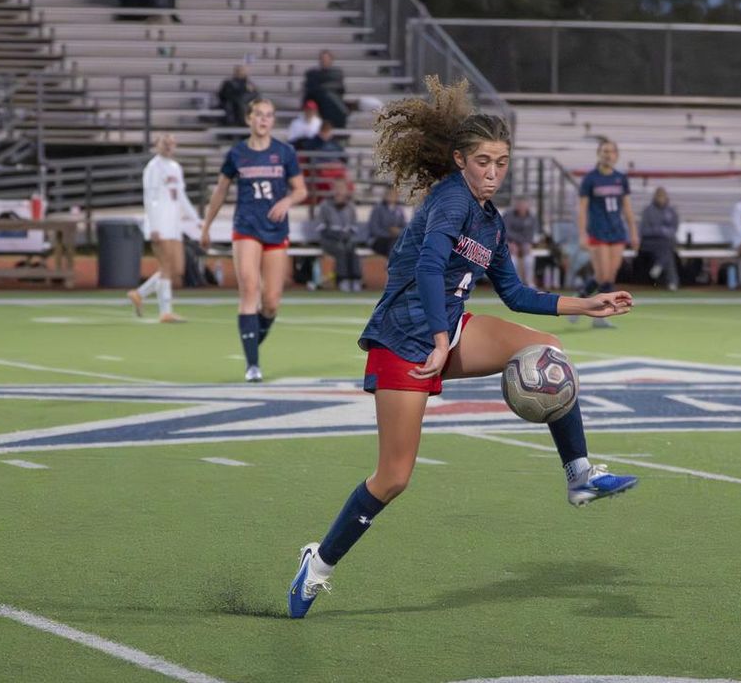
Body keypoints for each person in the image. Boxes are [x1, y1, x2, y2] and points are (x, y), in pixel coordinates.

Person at [286, 78, 638, 620]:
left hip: (446, 331)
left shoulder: (491, 222)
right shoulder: (450, 199)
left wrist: (587, 304)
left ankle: (580, 476)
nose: (492, 172)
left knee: (547, 349)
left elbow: (517, 295)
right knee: (394, 477)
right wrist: (436, 337)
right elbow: (429, 266)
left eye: (501, 162)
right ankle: (319, 562)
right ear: (460, 161)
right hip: (405, 340)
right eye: (482, 162)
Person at [200, 98, 306, 382]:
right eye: (258, 115)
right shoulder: (237, 154)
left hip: (275, 229)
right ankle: (252, 365)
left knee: (271, 301)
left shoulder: (284, 153)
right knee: (249, 288)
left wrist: (287, 201)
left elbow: (300, 190)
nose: (263, 120)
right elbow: (220, 192)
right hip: (246, 228)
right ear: (249, 119)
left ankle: (251, 342)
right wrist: (206, 226)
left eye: (269, 115)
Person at [127, 133, 199, 322]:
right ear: (157, 145)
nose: (168, 147)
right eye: (164, 143)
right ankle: (165, 311)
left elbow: (181, 196)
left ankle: (139, 294)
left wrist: (196, 219)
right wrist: (154, 226)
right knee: (166, 266)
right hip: (159, 223)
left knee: (178, 269)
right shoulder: (153, 168)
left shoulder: (175, 167)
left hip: (174, 223)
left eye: (171, 143)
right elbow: (150, 199)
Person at [573, 139, 638, 327]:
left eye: (611, 151)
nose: (607, 155)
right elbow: (583, 209)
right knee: (604, 277)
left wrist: (633, 232)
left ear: (616, 156)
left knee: (608, 276)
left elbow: (627, 208)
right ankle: (600, 317)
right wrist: (582, 234)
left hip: (617, 231)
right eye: (604, 151)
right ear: (598, 154)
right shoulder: (590, 179)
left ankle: (581, 299)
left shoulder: (621, 178)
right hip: (598, 231)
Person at [318, 179, 363, 292]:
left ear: (346, 191)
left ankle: (356, 279)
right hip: (329, 240)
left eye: (342, 188)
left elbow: (354, 226)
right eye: (337, 188)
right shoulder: (325, 206)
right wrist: (336, 234)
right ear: (333, 190)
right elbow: (321, 227)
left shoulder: (350, 207)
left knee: (352, 249)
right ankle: (343, 280)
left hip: (346, 239)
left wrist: (346, 235)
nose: (339, 191)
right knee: (341, 250)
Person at [639, 186, 680, 291]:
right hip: (650, 242)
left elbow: (674, 229)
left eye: (663, 197)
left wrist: (665, 232)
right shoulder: (648, 211)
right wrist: (659, 231)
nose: (661, 199)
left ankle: (660, 266)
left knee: (667, 248)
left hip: (665, 242)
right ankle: (672, 281)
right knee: (667, 251)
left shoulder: (671, 211)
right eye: (659, 197)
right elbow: (643, 230)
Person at [302, 49, 348, 129]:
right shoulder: (312, 73)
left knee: (328, 96)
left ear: (331, 60)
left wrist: (322, 88)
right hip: (316, 98)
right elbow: (310, 87)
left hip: (331, 100)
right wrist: (323, 89)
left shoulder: (337, 73)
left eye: (326, 59)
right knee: (326, 95)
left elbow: (339, 87)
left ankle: (335, 122)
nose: (324, 61)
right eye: (322, 59)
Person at [505, 196, 539, 286]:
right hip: (510, 242)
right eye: (520, 205)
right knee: (512, 251)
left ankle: (529, 281)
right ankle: (513, 281)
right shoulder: (508, 215)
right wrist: (515, 242)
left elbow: (531, 234)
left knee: (528, 251)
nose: (522, 207)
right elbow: (506, 231)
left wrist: (524, 243)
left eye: (524, 205)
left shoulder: (532, 218)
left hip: (524, 242)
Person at [366, 186, 406, 258]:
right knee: (394, 243)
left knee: (399, 243)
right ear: (385, 195)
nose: (391, 196)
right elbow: (374, 229)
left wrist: (398, 231)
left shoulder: (399, 210)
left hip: (394, 239)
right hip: (379, 240)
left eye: (394, 194)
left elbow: (405, 227)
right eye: (389, 194)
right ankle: (392, 265)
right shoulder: (377, 209)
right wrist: (389, 234)